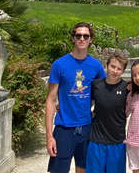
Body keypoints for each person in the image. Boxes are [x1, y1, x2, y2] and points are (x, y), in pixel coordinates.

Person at [46, 22, 107, 173]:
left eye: (85, 36)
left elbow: (105, 91)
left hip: (86, 127)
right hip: (64, 128)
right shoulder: (59, 65)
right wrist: (49, 135)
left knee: (84, 168)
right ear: (73, 38)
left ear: (91, 39)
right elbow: (51, 100)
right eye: (78, 35)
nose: (82, 39)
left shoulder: (96, 66)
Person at [86, 50, 129, 173]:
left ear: (123, 71)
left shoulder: (127, 88)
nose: (115, 71)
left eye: (119, 69)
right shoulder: (96, 85)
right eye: (112, 66)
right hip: (96, 140)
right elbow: (83, 101)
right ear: (106, 66)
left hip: (117, 141)